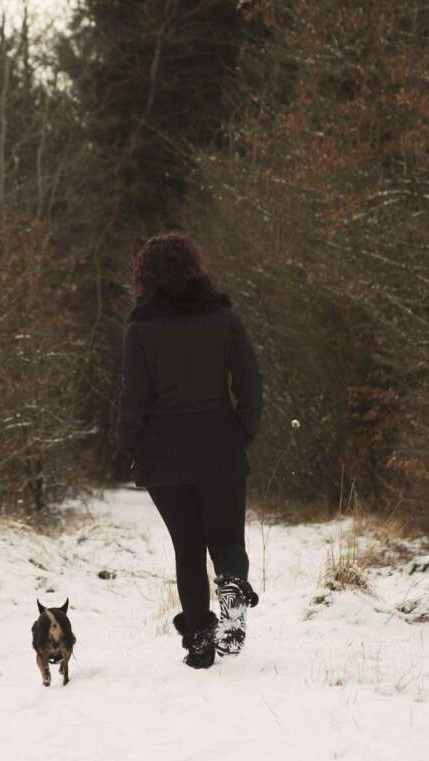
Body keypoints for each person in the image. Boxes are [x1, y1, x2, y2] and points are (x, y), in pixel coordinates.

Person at [118, 232, 262, 669]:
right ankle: (232, 587)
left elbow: (134, 398)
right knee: (227, 539)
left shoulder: (141, 329)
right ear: (196, 267)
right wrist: (242, 431)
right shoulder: (224, 318)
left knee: (188, 546)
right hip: (220, 440)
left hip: (164, 451)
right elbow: (250, 382)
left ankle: (199, 645)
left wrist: (131, 445)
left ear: (145, 275)